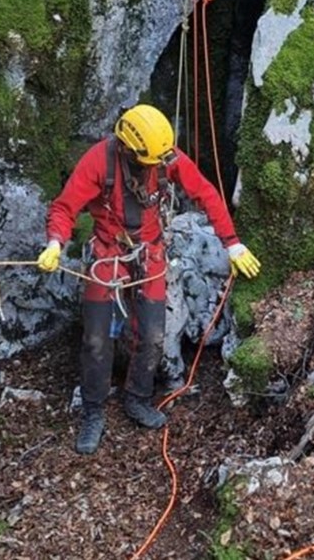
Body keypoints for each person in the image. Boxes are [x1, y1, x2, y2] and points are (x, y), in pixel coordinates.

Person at [37, 104, 261, 455]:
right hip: (109, 254)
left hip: (151, 253)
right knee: (96, 339)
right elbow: (65, 208)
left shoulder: (163, 156)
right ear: (127, 149)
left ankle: (138, 397)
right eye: (150, 163)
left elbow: (205, 194)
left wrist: (232, 245)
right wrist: (55, 242)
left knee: (155, 335)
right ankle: (93, 411)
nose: (158, 167)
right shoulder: (99, 161)